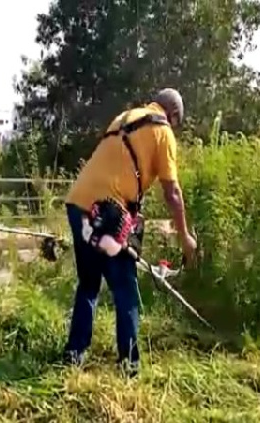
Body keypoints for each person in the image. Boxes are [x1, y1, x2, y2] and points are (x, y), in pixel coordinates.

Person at [63, 88, 197, 375]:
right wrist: (184, 237)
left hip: (78, 203)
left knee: (88, 284)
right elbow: (172, 192)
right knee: (125, 288)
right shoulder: (163, 132)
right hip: (109, 211)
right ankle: (129, 367)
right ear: (172, 115)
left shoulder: (125, 118)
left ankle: (74, 355)